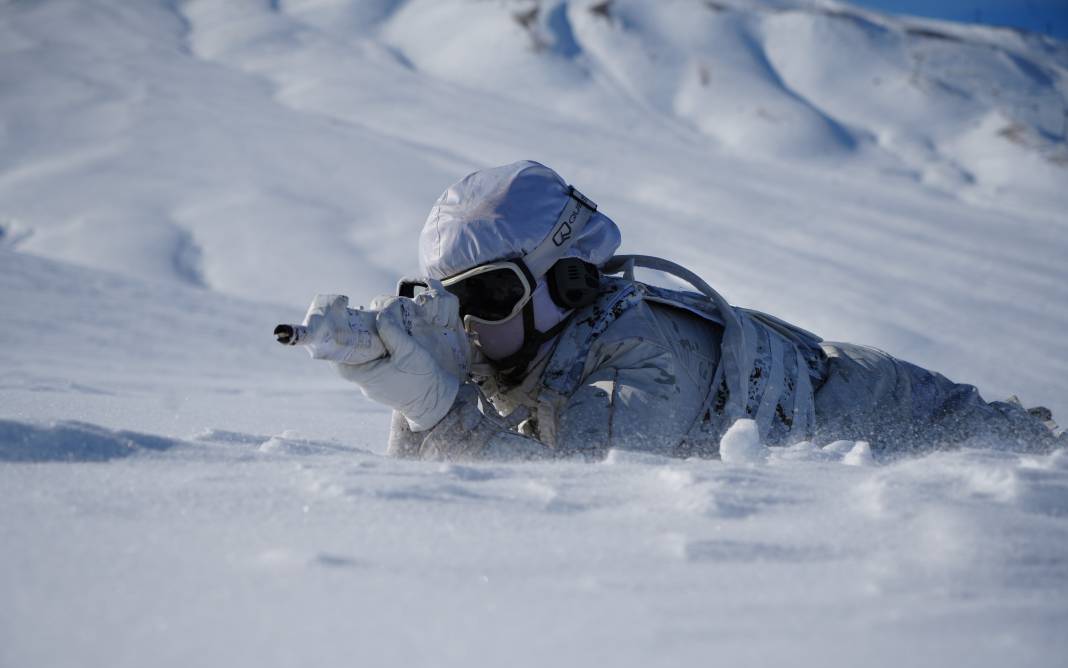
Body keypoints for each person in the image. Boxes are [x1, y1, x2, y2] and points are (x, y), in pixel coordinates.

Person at [311, 160, 1062, 461]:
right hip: (836, 378)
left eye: (489, 295)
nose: (469, 322)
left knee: (1021, 451)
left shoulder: (640, 355)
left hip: (874, 401)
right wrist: (408, 396)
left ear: (567, 282)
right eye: (451, 300)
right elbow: (427, 498)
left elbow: (562, 504)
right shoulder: (534, 344)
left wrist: (442, 414)